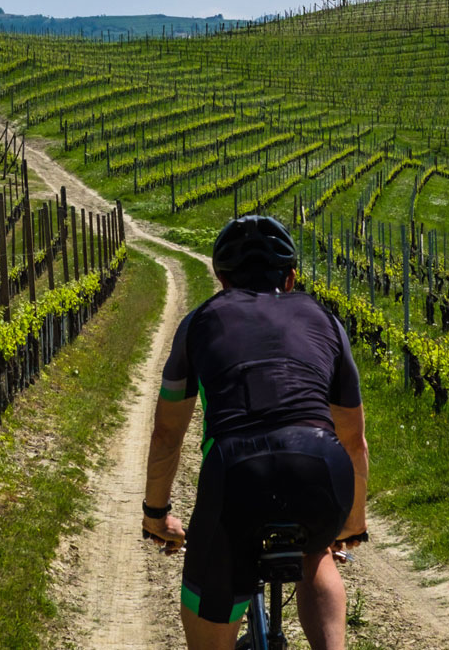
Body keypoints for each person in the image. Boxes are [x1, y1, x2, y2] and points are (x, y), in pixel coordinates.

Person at [141, 215, 369, 650]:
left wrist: (157, 514)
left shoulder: (199, 322)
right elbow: (354, 440)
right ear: (291, 277)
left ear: (220, 279)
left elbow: (167, 434)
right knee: (316, 550)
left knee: (212, 592)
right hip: (321, 464)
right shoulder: (326, 321)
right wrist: (351, 525)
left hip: (237, 473)